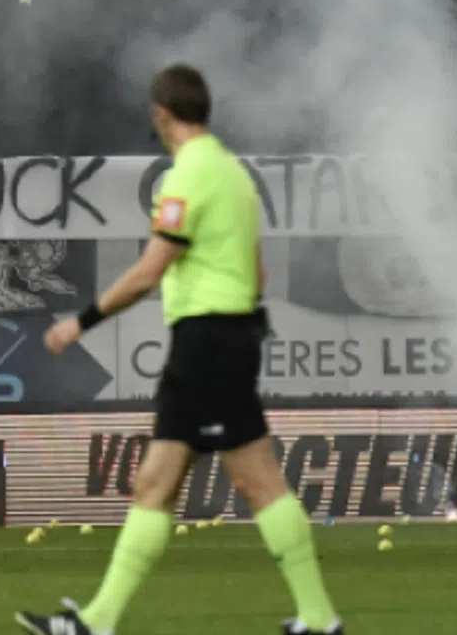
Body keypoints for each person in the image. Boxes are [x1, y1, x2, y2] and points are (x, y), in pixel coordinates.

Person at [18, 65, 341, 635]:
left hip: (207, 343)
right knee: (163, 482)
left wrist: (81, 323)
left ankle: (318, 618)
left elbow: (150, 270)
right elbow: (257, 265)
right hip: (229, 336)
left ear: (161, 114)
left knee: (249, 481)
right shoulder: (234, 173)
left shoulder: (188, 176)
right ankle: (98, 620)